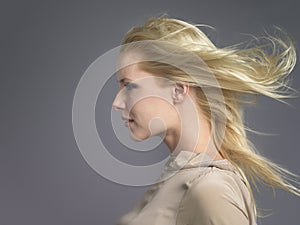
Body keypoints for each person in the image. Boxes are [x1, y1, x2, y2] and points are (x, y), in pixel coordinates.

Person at [111, 14, 300, 225]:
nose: (117, 102)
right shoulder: (183, 178)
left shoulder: (210, 190)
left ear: (177, 90)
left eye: (129, 86)